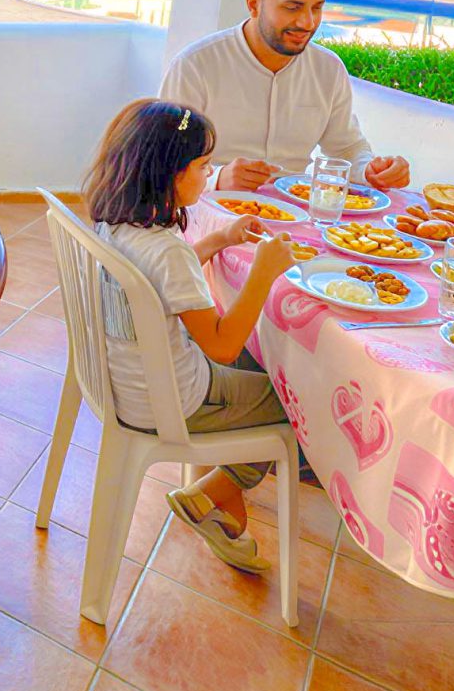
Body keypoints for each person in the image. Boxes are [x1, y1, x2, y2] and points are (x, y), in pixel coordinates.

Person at [82, 97, 302, 573]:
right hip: (174, 400)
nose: (208, 176)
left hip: (126, 384)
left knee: (256, 367)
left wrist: (218, 240)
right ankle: (206, 497)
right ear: (171, 174)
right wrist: (263, 273)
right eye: (203, 167)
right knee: (295, 406)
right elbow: (220, 345)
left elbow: (161, 286)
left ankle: (216, 503)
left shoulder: (116, 225)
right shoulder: (168, 251)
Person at [161, 0, 411, 193]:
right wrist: (216, 178)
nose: (307, 22)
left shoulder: (328, 70)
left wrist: (370, 171)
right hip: (208, 208)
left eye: (316, 8)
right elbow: (163, 157)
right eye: (292, 8)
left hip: (294, 212)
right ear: (254, 4)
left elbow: (346, 148)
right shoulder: (196, 66)